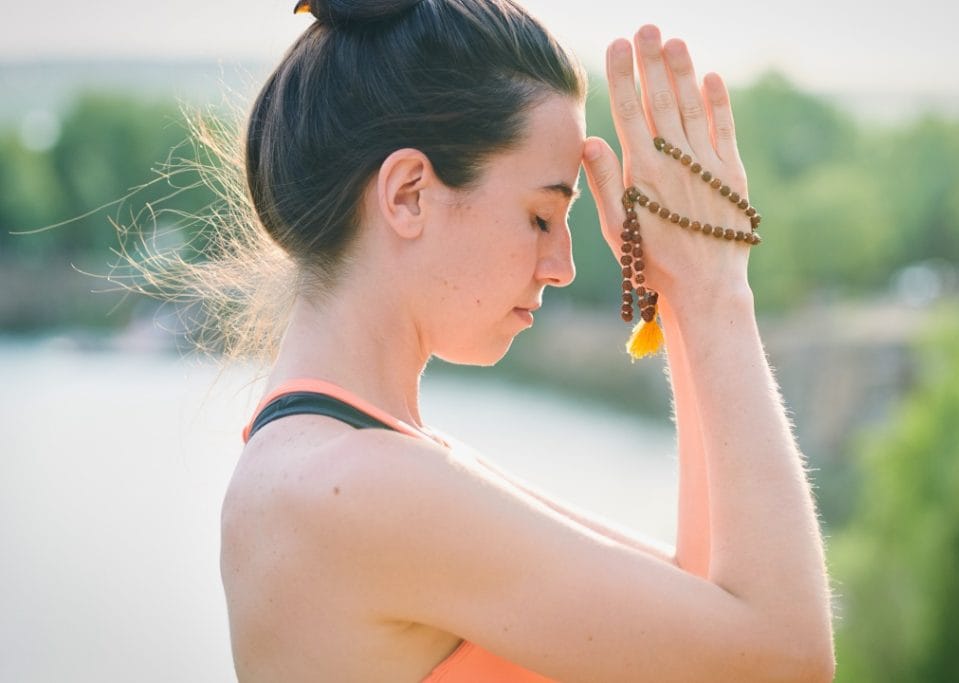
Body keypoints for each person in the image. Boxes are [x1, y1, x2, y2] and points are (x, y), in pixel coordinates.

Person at [219, 0, 837, 680]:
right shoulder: (362, 487)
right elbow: (784, 658)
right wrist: (718, 289)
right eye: (542, 216)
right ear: (409, 196)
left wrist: (683, 297)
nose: (564, 264)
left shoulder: (346, 463)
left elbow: (703, 614)